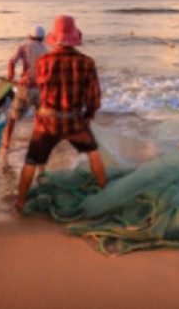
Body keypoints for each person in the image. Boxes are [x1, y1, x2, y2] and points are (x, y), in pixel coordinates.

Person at [15, 15, 108, 212]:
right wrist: (87, 117)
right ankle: (106, 194)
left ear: (54, 38)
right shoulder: (87, 63)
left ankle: (20, 203)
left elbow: (36, 92)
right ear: (74, 38)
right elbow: (94, 99)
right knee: (93, 153)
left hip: (46, 123)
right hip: (75, 121)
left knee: (31, 162)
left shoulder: (42, 62)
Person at [3, 25, 48, 152]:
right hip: (40, 89)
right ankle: (39, 142)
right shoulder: (45, 50)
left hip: (25, 88)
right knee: (39, 117)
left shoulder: (23, 46)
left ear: (29, 36)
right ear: (42, 38)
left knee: (13, 117)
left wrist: (10, 76)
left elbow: (12, 61)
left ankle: (6, 143)